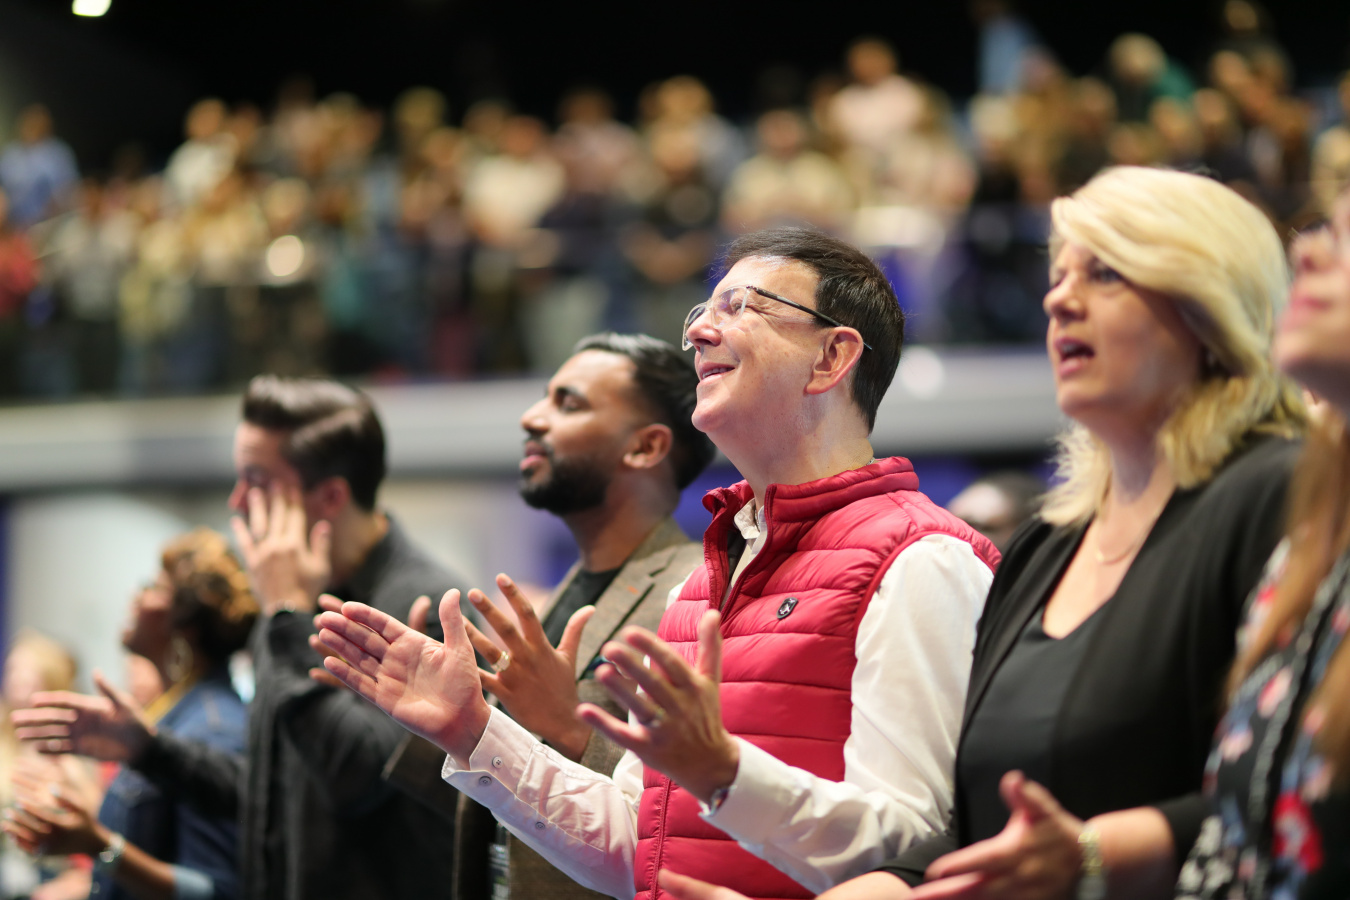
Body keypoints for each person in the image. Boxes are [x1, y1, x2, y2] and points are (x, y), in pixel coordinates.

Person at [654, 166, 1308, 900]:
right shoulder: (1049, 545)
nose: (1059, 299)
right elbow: (962, 838)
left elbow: (1304, 780)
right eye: (1059, 275)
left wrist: (1097, 856)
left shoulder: (1279, 496)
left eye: (1105, 273)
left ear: (1212, 304)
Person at [317, 226, 1001, 899]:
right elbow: (637, 847)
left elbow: (920, 851)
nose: (699, 332)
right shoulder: (701, 586)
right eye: (703, 310)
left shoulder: (923, 561)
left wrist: (727, 774)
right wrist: (475, 731)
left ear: (831, 358)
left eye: (742, 307)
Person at [13, 376, 467, 900]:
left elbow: (360, 783)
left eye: (256, 481)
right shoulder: (289, 604)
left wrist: (288, 615)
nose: (237, 501)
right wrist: (150, 749)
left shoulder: (427, 609)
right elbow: (272, 802)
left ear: (331, 496)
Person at [443, 332, 714, 899]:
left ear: (645, 447)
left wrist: (569, 727)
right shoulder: (573, 586)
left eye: (569, 404)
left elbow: (696, 808)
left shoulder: (696, 591)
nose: (532, 418)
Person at [7, 529, 257, 900]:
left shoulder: (214, 727)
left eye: (154, 587)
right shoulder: (173, 713)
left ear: (185, 623)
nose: (136, 595)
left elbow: (217, 891)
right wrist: (83, 810)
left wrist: (98, 845)